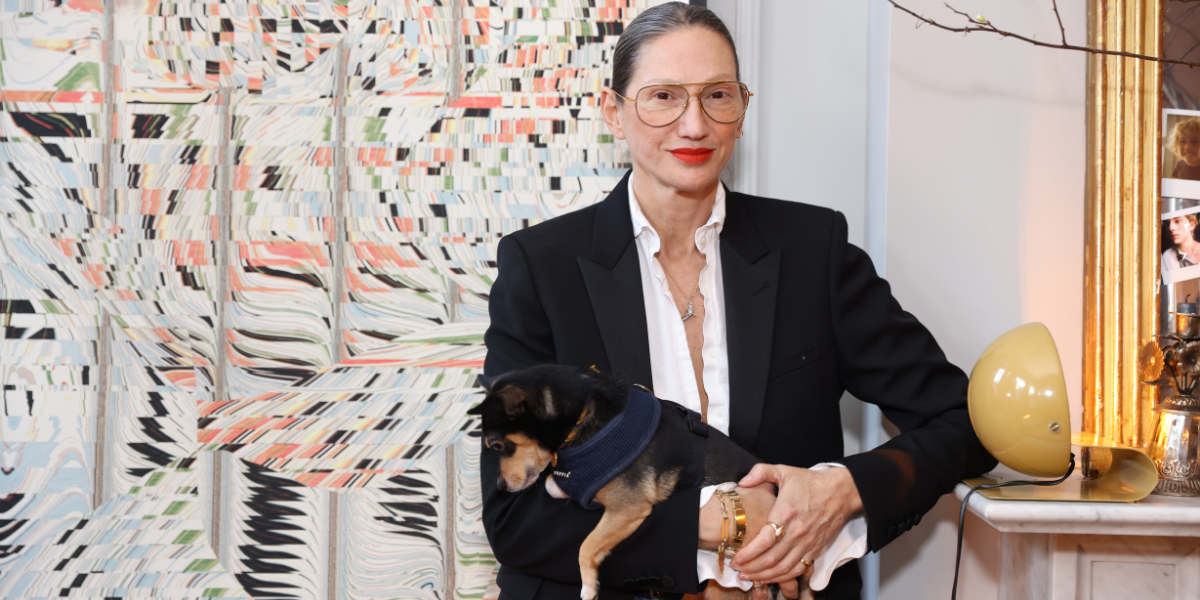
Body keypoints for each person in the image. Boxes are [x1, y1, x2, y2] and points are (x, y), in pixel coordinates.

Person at [480, 5, 996, 600]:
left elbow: (963, 422)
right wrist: (718, 524)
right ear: (613, 113)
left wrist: (844, 489)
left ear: (742, 110)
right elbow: (515, 520)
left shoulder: (813, 252)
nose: (694, 125)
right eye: (664, 96)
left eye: (717, 95)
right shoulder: (541, 269)